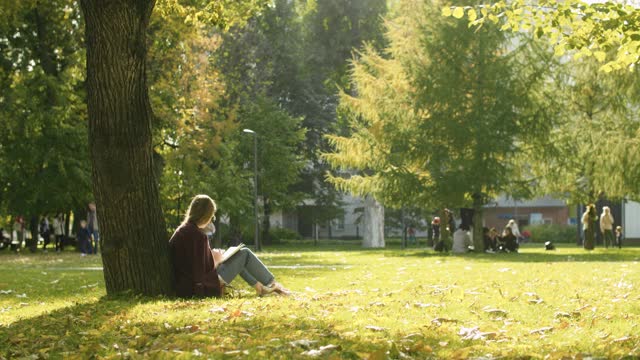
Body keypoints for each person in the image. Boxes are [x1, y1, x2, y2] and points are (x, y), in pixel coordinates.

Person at [169, 194, 289, 298]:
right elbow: (199, 273)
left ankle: (261, 287)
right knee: (244, 253)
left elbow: (194, 263)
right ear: (206, 215)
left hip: (186, 285)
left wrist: (212, 257)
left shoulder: (183, 231)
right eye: (212, 216)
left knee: (237, 256)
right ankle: (272, 284)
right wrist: (216, 260)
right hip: (201, 287)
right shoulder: (198, 236)